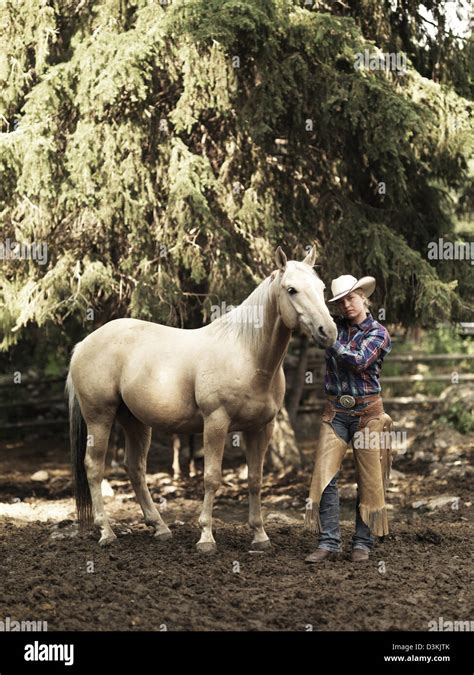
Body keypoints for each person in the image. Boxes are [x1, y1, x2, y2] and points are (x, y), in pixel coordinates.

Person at [304, 274, 393, 563]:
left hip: (368, 415)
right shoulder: (335, 327)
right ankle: (329, 541)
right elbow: (311, 318)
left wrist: (329, 340)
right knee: (326, 477)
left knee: (368, 480)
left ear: (363, 297)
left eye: (351, 298)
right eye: (341, 301)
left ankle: (362, 543)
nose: (346, 305)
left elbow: (357, 361)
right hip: (335, 413)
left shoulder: (378, 333)